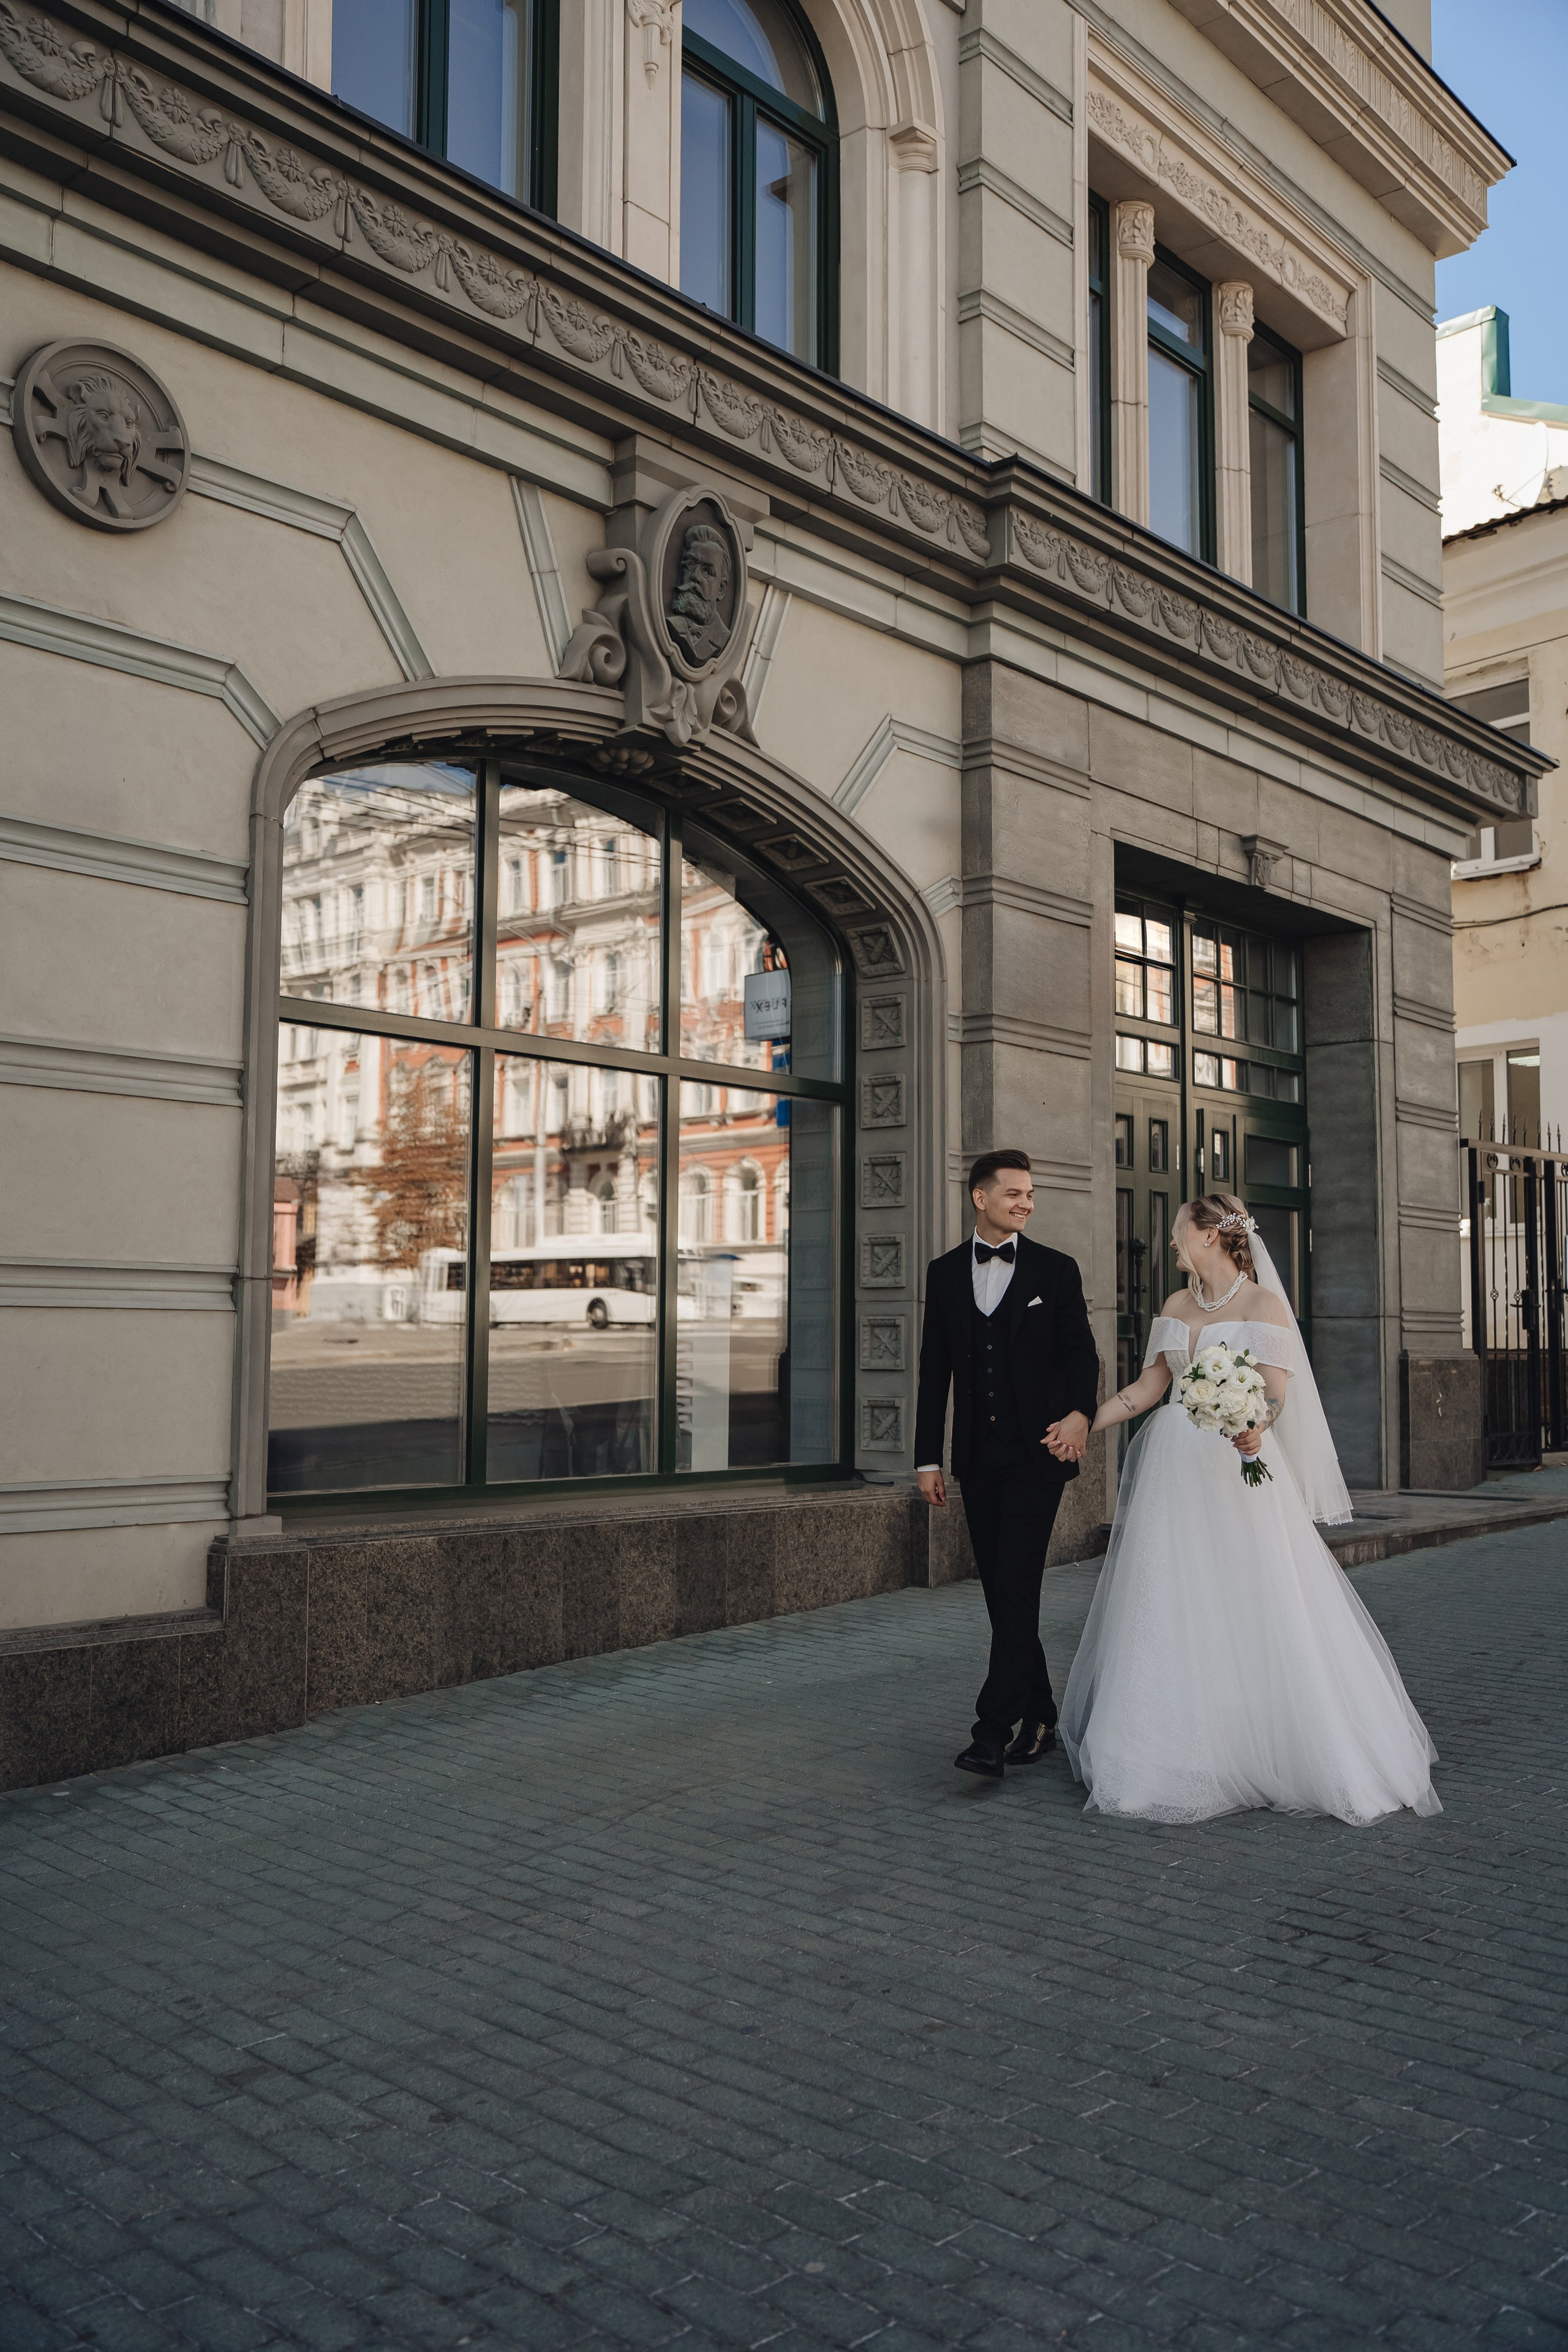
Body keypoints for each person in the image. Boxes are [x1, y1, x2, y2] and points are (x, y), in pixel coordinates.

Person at [1059, 1192, 1440, 1826]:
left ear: (1209, 1235)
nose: (1172, 1242)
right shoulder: (1176, 1306)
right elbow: (1146, 1390)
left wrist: (1254, 1426)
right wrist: (1081, 1426)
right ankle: (1167, 1750)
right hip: (1174, 1470)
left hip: (1236, 1469)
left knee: (1254, 1592)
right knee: (1172, 1594)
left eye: (1179, 1231)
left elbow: (1274, 1394)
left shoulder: (1265, 1305)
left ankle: (1275, 1741)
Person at [914, 1150, 1101, 1781]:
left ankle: (991, 1732)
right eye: (1014, 1193)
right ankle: (1042, 1713)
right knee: (1003, 1594)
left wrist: (1081, 1413)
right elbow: (931, 1373)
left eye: (1030, 1194)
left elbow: (1081, 1354)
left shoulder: (1055, 1269)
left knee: (1015, 1586)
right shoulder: (943, 1274)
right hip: (974, 1459)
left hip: (1037, 1456)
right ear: (979, 1197)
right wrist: (925, 1460)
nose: (1025, 1202)